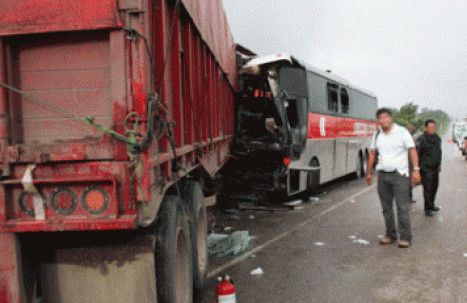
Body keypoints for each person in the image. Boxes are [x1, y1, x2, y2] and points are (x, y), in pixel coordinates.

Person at [366, 108, 421, 248]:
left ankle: (405, 237)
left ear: (391, 118)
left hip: (400, 175)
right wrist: (368, 173)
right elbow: (372, 154)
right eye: (380, 118)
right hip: (383, 175)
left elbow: (412, 150)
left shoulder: (402, 132)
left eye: (386, 117)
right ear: (378, 120)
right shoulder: (377, 134)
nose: (383, 120)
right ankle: (390, 234)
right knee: (386, 208)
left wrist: (416, 170)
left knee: (402, 206)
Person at [416, 119, 442, 217]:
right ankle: (427, 208)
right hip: (426, 168)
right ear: (426, 128)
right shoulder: (421, 139)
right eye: (430, 127)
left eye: (434, 127)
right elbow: (417, 154)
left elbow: (439, 152)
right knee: (428, 188)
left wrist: (439, 164)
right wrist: (417, 169)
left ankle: (432, 205)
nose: (432, 129)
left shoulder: (437, 138)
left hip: (435, 167)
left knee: (435, 187)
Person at [405, 124, 417, 204]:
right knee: (408, 183)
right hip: (408, 165)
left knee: (407, 183)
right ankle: (408, 198)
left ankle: (408, 198)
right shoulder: (412, 140)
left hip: (407, 164)